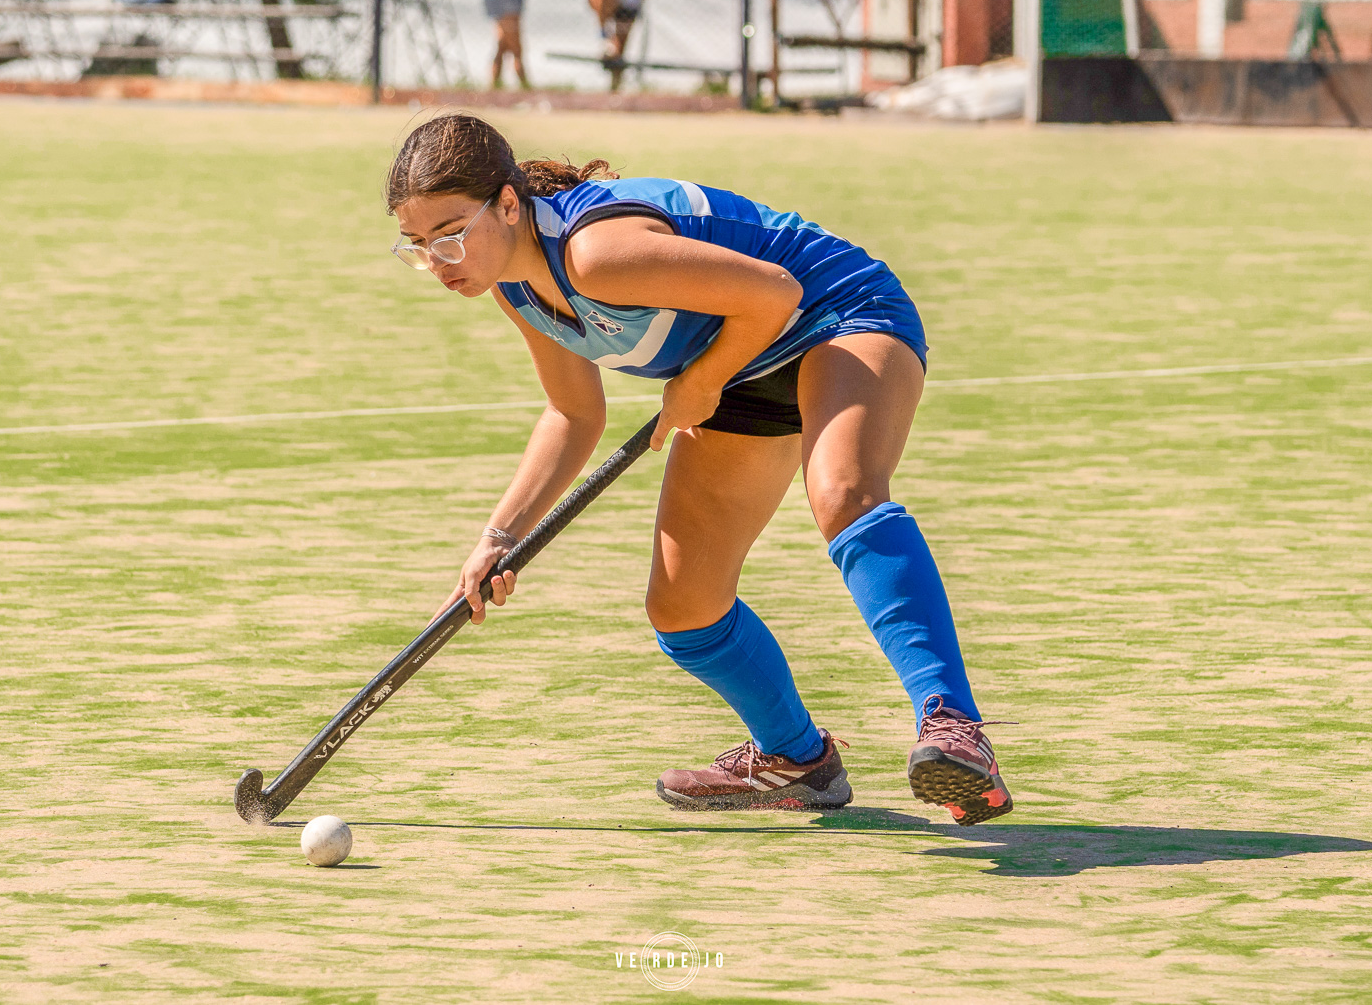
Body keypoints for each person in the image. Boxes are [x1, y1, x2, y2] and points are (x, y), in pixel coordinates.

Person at [383, 114, 1013, 824]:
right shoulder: (517, 287)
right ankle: (796, 759)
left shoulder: (596, 254)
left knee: (842, 490)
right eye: (419, 244)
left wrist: (702, 379)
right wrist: (499, 538)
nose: (439, 259)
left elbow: (777, 294)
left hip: (836, 314)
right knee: (684, 606)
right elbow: (572, 414)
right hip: (741, 360)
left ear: (506, 204)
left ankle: (954, 730)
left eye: (452, 231)